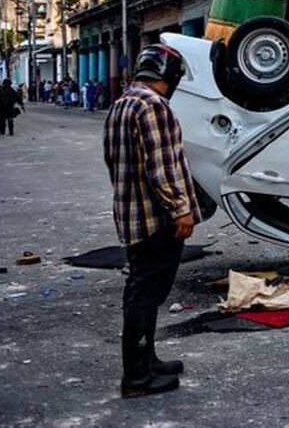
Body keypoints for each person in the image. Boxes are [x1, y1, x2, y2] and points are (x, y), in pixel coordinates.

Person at [104, 44, 201, 398]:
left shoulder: (122, 104)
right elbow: (162, 169)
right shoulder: (154, 107)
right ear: (169, 76)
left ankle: (147, 361)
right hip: (156, 220)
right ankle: (137, 378)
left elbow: (114, 162)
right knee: (146, 294)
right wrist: (182, 210)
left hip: (131, 215)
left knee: (143, 290)